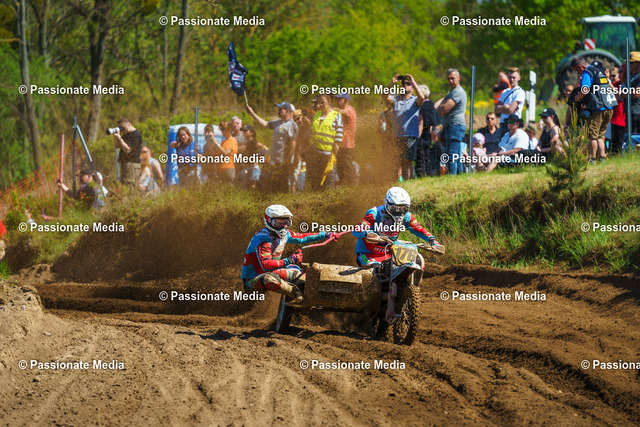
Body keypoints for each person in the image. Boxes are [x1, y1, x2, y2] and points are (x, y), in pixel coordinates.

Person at [352, 187, 443, 323]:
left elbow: (418, 228)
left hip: (388, 253)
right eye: (396, 208)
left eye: (404, 208)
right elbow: (357, 229)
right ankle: (360, 305)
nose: (400, 212)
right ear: (388, 204)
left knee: (413, 262)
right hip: (366, 253)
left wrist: (432, 240)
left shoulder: (407, 217)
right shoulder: (375, 213)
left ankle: (406, 293)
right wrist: (366, 232)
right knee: (370, 270)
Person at [241, 205, 335, 303]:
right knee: (269, 279)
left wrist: (326, 234)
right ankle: (296, 294)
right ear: (269, 221)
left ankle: (316, 299)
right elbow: (266, 265)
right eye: (278, 223)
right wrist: (290, 260)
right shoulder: (263, 238)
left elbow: (303, 238)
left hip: (273, 272)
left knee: (302, 278)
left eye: (286, 223)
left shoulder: (285, 234)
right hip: (253, 280)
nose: (283, 226)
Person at [571, 56, 617, 163]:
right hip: (609, 106)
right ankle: (602, 158)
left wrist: (578, 97)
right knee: (600, 135)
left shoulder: (587, 72)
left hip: (598, 107)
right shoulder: (599, 71)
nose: (577, 73)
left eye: (576, 70)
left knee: (592, 135)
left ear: (580, 67)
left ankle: (592, 159)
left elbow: (585, 89)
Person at [246, 101, 298, 192]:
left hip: (284, 162)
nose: (278, 111)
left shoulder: (291, 124)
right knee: (274, 186)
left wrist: (288, 161)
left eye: (280, 109)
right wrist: (252, 113)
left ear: (287, 111)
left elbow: (293, 143)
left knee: (286, 186)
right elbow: (265, 124)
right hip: (275, 161)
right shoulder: (278, 123)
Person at [382, 74, 426, 181]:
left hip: (410, 135)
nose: (404, 85)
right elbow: (384, 96)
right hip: (397, 135)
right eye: (403, 84)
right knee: (397, 162)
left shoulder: (415, 100)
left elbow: (422, 98)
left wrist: (413, 82)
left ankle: (408, 183)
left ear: (412, 87)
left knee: (407, 162)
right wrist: (392, 83)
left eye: (408, 84)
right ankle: (399, 184)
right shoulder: (396, 99)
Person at [306, 94, 343, 190]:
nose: (320, 104)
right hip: (315, 151)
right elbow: (311, 128)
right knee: (316, 174)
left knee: (329, 174)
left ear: (329, 102)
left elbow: (339, 130)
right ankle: (316, 193)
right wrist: (309, 141)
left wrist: (336, 144)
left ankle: (328, 193)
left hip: (328, 152)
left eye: (322, 102)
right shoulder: (317, 114)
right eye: (319, 102)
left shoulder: (336, 115)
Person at [435, 68, 467, 176]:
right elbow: (437, 108)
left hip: (455, 126)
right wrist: (444, 101)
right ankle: (459, 177)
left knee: (451, 155)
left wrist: (442, 107)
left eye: (453, 78)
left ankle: (452, 178)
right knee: (456, 155)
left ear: (459, 78)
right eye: (448, 79)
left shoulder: (458, 92)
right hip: (451, 126)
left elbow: (443, 110)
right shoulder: (451, 93)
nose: (450, 81)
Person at [333, 93, 357, 186]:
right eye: (337, 100)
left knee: (348, 167)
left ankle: (352, 186)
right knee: (340, 167)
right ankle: (344, 185)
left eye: (340, 100)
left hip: (348, 144)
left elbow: (344, 112)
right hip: (341, 144)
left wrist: (332, 109)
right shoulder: (341, 111)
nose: (338, 102)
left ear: (346, 100)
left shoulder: (350, 109)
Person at [417, 84, 440, 177]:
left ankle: (421, 173)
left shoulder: (421, 105)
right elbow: (432, 121)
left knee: (420, 154)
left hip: (421, 132)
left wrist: (417, 137)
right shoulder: (430, 104)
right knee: (427, 155)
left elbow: (421, 123)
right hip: (428, 132)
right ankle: (428, 172)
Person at [495, 67, 526, 138]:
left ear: (519, 78)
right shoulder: (505, 91)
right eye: (510, 77)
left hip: (513, 124)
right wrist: (505, 107)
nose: (511, 80)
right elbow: (496, 109)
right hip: (503, 123)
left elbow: (510, 110)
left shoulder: (520, 92)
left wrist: (502, 109)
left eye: (514, 77)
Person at [113, 118, 142, 190]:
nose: (122, 130)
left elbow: (128, 150)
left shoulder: (136, 135)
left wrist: (120, 138)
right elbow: (117, 146)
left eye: (123, 128)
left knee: (130, 186)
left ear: (129, 125)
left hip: (132, 164)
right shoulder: (126, 134)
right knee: (124, 186)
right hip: (124, 163)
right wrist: (116, 136)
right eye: (120, 128)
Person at [237, 124, 268, 189]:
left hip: (253, 168)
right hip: (246, 167)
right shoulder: (246, 142)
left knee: (252, 186)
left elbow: (264, 149)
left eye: (245, 131)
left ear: (251, 133)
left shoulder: (254, 142)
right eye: (243, 130)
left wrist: (259, 156)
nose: (243, 132)